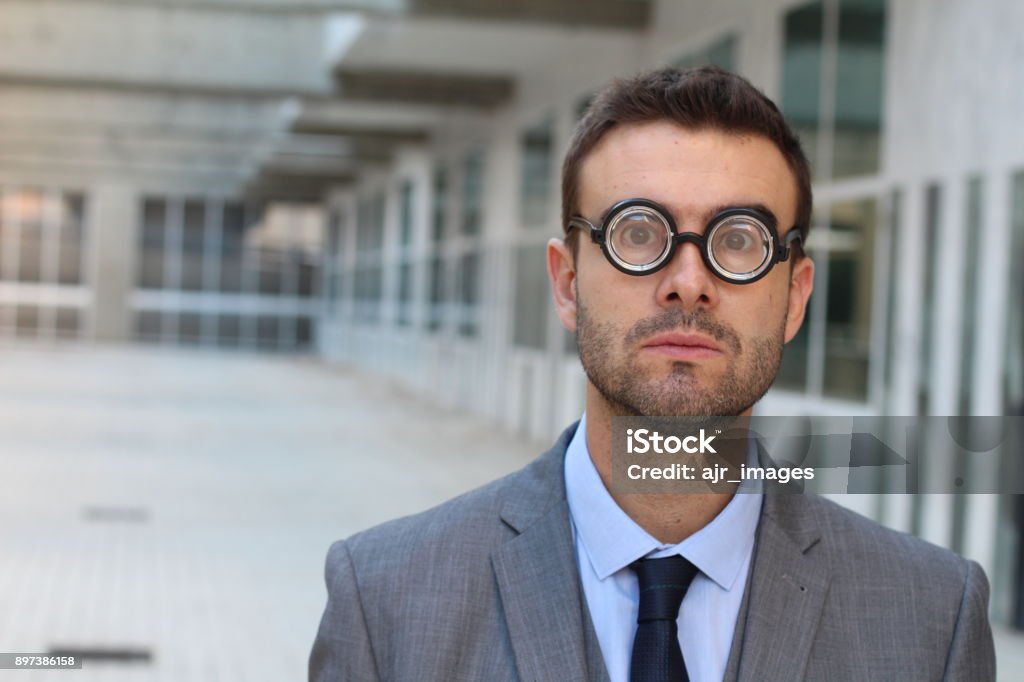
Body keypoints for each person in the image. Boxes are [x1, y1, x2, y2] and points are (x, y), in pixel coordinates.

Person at [309, 66, 995, 681]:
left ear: (795, 297)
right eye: (640, 232)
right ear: (568, 282)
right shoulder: (387, 601)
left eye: (739, 240)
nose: (689, 283)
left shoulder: (932, 621)